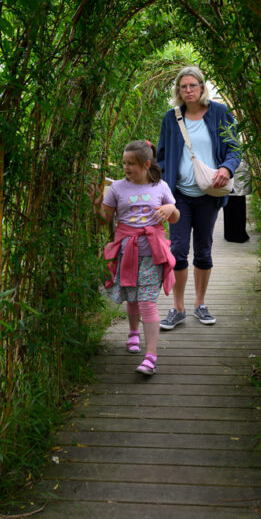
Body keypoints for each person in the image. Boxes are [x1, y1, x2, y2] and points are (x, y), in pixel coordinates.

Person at [155, 66, 240, 330]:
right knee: (178, 249)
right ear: (178, 91)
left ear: (202, 88)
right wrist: (160, 190)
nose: (188, 90)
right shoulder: (171, 118)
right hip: (178, 195)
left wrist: (227, 168)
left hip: (209, 194)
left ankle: (200, 305)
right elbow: (161, 155)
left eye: (193, 85)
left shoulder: (220, 113)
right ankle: (177, 308)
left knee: (203, 249)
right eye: (183, 86)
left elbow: (234, 149)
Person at [94, 140, 179, 376]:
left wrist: (171, 209)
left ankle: (150, 356)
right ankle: (133, 334)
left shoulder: (160, 187)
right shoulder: (117, 189)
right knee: (132, 295)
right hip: (126, 251)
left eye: (131, 163)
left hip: (152, 253)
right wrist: (96, 206)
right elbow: (104, 220)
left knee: (146, 301)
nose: (126, 167)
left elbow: (175, 217)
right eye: (124, 163)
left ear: (146, 164)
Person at [223, 158, 251, 242]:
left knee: (236, 201)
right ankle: (235, 234)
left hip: (233, 167)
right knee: (236, 201)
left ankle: (231, 233)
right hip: (231, 168)